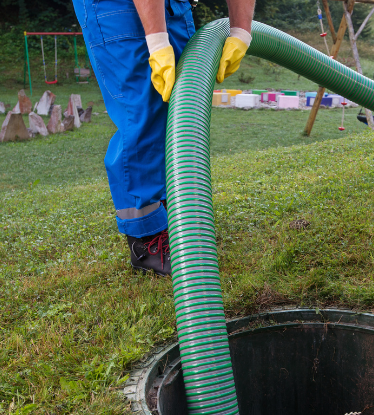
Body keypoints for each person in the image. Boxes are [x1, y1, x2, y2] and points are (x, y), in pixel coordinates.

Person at [72, 0, 255, 276]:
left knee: (180, 105)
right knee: (142, 110)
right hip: (114, 6)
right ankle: (147, 239)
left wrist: (241, 31)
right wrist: (157, 42)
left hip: (173, 5)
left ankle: (174, 217)